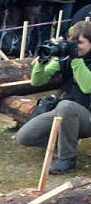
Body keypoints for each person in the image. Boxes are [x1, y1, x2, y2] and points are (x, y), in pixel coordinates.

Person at [16, 21, 91, 174]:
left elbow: (87, 86)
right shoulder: (66, 58)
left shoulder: (75, 58)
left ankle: (67, 159)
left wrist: (75, 59)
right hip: (65, 114)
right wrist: (42, 62)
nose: (75, 45)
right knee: (24, 137)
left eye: (80, 42)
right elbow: (37, 81)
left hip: (87, 116)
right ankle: (65, 142)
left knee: (66, 106)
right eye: (72, 41)